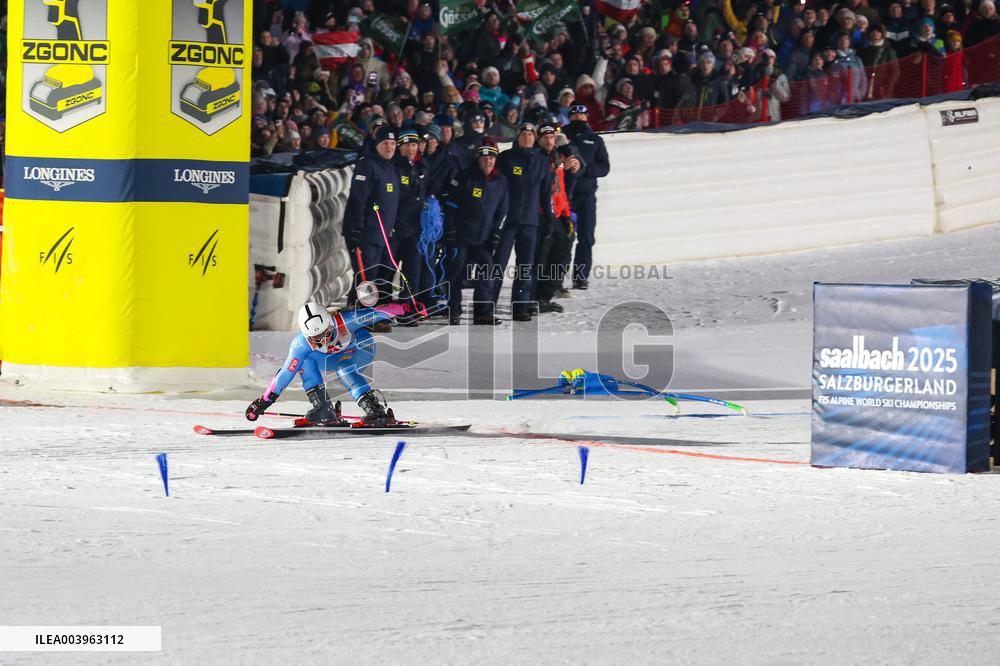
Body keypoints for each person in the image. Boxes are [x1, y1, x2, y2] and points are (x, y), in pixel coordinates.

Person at [245, 302, 403, 426]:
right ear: (307, 336)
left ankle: (374, 410)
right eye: (316, 338)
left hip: (360, 348)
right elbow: (285, 374)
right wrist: (263, 402)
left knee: (344, 367)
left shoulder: (345, 321)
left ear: (331, 323)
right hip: (330, 358)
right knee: (304, 360)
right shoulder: (300, 344)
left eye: (327, 333)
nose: (324, 341)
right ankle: (322, 409)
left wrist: (409, 307)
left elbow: (379, 312)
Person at [442, 143, 509, 326]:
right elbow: (451, 207)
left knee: (487, 271)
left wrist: (496, 234)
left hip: (484, 238)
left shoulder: (500, 181)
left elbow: (502, 211)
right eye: (485, 158)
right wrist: (450, 231)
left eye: (491, 158)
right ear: (478, 159)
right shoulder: (465, 177)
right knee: (456, 273)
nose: (488, 161)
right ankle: (453, 310)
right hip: (462, 236)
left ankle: (483, 312)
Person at [342, 124, 400, 329]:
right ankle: (365, 318)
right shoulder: (367, 165)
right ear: (377, 145)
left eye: (393, 143)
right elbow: (359, 200)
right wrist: (356, 229)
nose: (390, 147)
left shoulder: (391, 166)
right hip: (366, 233)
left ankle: (369, 312)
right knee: (368, 276)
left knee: (381, 275)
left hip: (383, 234)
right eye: (385, 143)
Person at [495, 122, 553, 321]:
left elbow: (546, 192)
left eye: (531, 135)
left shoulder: (542, 161)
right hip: (507, 221)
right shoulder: (505, 159)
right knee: (498, 263)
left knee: (525, 266)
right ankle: (486, 304)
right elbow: (496, 189)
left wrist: (549, 217)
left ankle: (521, 306)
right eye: (524, 134)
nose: (527, 138)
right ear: (517, 137)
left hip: (530, 221)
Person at [563, 105, 610, 291]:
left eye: (582, 113)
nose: (578, 117)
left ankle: (581, 277)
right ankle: (555, 279)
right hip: (565, 196)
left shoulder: (595, 140)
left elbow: (604, 167)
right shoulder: (562, 138)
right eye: (574, 114)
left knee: (586, 237)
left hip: (586, 196)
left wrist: (585, 170)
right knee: (563, 238)